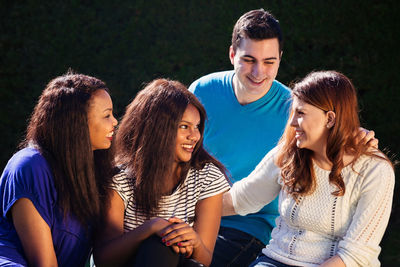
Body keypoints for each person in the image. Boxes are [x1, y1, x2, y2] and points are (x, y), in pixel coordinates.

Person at [189, 9, 378, 266]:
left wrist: (355, 137)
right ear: (232, 54)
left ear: (280, 59)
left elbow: (332, 132)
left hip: (251, 228)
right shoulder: (202, 91)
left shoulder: (295, 110)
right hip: (197, 213)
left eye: (269, 62)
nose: (258, 72)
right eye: (249, 59)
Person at [223, 70, 395, 267]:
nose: (292, 122)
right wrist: (185, 210)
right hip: (277, 261)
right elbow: (242, 198)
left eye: (301, 113)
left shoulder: (375, 170)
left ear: (330, 119)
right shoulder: (288, 153)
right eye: (293, 112)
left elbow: (356, 254)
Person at [93, 79, 230, 267]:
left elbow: (204, 260)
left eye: (197, 127)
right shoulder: (119, 179)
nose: (195, 136)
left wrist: (194, 241)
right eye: (184, 126)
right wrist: (151, 228)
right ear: (157, 129)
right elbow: (104, 259)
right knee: (158, 247)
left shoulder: (207, 178)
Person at [0, 73, 118, 266]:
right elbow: (43, 262)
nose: (115, 122)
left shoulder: (93, 172)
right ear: (76, 123)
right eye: (107, 115)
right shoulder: (30, 166)